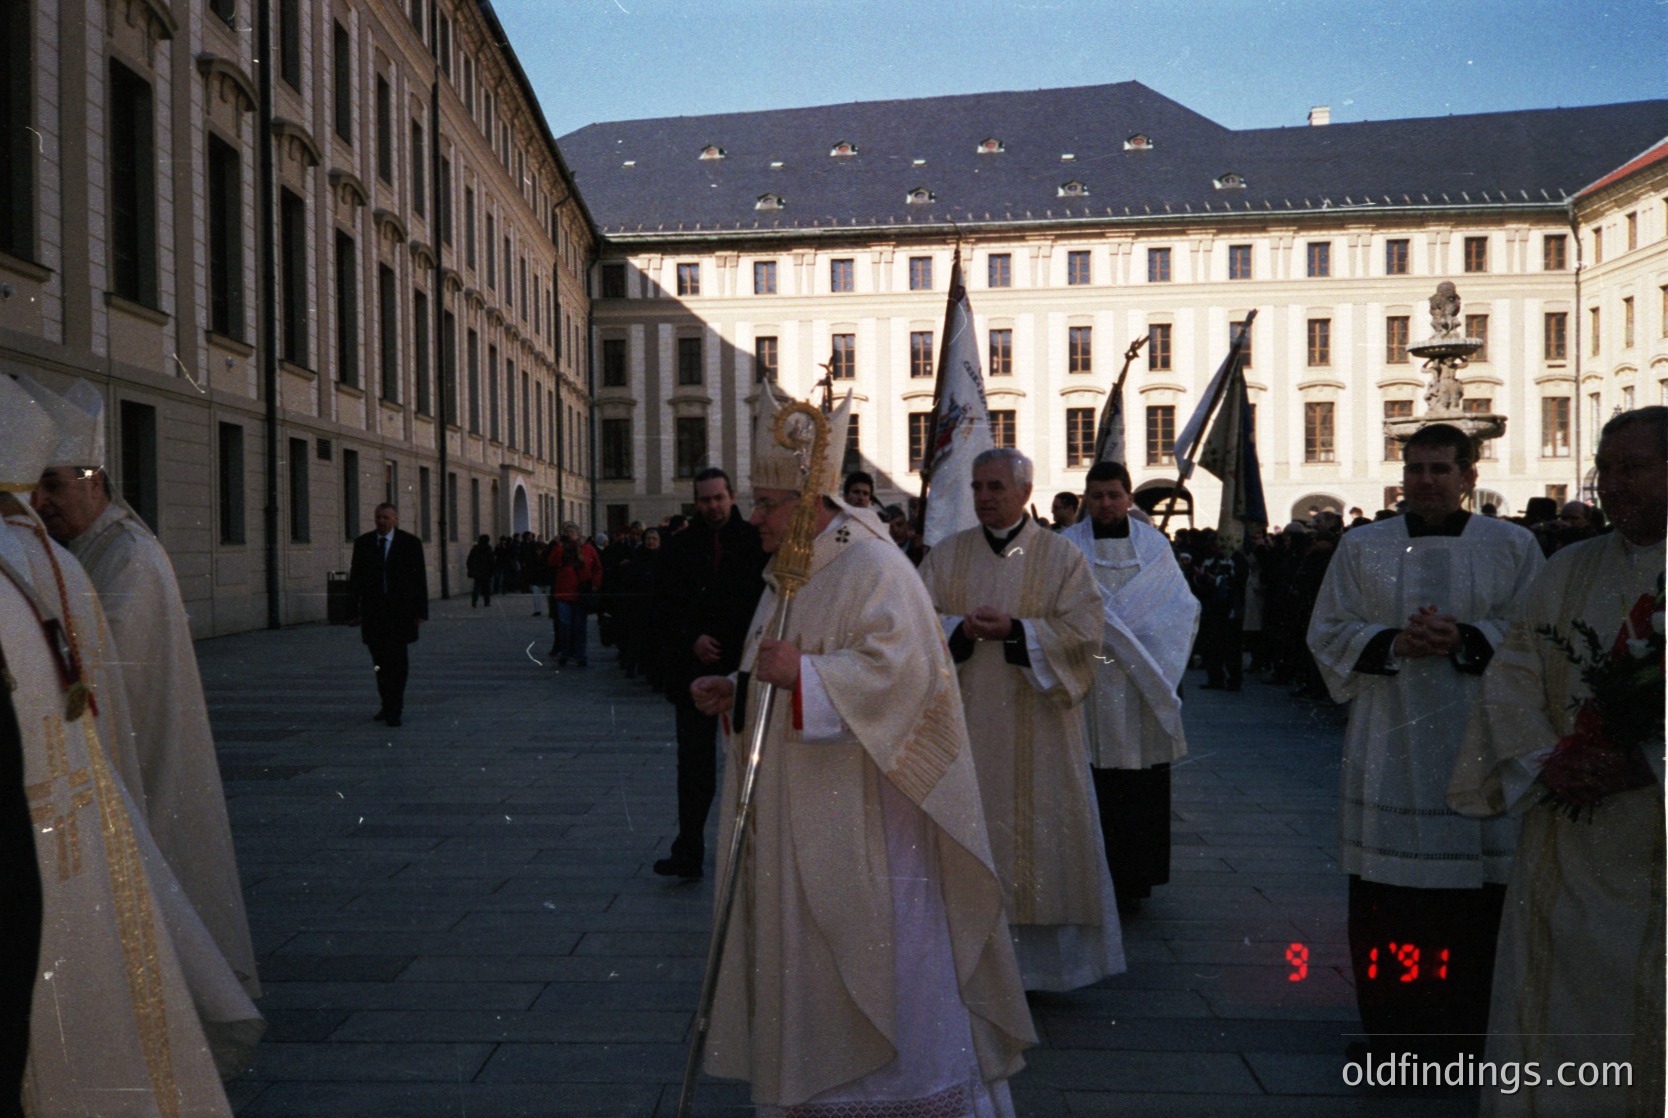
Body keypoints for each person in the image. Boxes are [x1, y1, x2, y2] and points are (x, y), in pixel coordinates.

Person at [690, 384, 1035, 1114]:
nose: (755, 517)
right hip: (805, 814)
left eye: (767, 503)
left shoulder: (874, 567)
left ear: (809, 507)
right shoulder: (791, 568)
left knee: (884, 969)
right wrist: (740, 691)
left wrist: (808, 677)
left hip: (871, 826)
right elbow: (773, 668)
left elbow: (904, 680)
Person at [0, 376, 254, 1112]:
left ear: (93, 480)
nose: (44, 503)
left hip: (135, 767)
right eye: (35, 487)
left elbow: (112, 685)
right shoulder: (68, 558)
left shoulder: (127, 561)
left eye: (55, 485)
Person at [1449, 407, 1666, 1117]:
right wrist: (1545, 759)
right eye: (1605, 470)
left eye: (1631, 468)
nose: (1611, 485)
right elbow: (1512, 671)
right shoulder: (1569, 568)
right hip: (1567, 846)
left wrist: (1646, 763)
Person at [1308, 422, 1544, 1059]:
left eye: (1441, 469)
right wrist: (1390, 643)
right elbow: (1327, 630)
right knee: (1392, 901)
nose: (1426, 481)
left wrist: (1467, 638)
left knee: (1475, 903)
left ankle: (1468, 1034)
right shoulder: (1363, 547)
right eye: (1415, 469)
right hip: (1391, 738)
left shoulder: (1512, 545)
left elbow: (1539, 636)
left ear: (1470, 475)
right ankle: (1393, 1032)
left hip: (1482, 737)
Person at [918, 448, 1125, 991]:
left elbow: (1087, 635)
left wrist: (1016, 630)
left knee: (1035, 841)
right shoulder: (945, 556)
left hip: (1038, 727)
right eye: (978, 487)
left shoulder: (1061, 558)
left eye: (995, 487)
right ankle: (965, 964)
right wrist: (958, 631)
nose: (984, 497)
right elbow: (912, 627)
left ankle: (1041, 971)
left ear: (1025, 492)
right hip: (963, 726)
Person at [1061, 461, 1199, 914]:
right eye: (1097, 496)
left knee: (1138, 788)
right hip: (1088, 682)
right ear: (1087, 498)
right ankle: (1090, 880)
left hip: (1141, 682)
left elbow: (1178, 609)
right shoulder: (1066, 548)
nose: (1105, 504)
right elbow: (1058, 612)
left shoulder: (1154, 545)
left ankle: (1136, 880)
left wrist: (1136, 653)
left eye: (1113, 495)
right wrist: (1104, 651)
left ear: (1128, 498)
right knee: (1091, 782)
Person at [652, 468, 767, 879]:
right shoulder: (680, 547)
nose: (712, 506)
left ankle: (756, 852)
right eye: (704, 500)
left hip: (743, 670)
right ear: (695, 502)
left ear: (733, 496)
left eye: (718, 498)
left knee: (752, 764)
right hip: (697, 674)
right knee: (694, 768)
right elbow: (664, 606)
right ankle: (689, 850)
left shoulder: (756, 542)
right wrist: (692, 639)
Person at [347, 502, 429, 727]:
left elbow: (419, 579)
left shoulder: (410, 544)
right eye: (378, 517)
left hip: (400, 613)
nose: (381, 521)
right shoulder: (363, 544)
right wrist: (352, 611)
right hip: (374, 614)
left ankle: (395, 708)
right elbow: (356, 579)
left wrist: (421, 611)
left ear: (395, 519)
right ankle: (386, 702)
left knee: (398, 662)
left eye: (385, 517)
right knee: (379, 662)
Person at [546, 522, 602, 667]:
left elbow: (597, 567)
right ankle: (565, 653)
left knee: (579, 625)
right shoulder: (560, 548)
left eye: (572, 532)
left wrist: (595, 584)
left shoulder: (587, 548)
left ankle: (580, 654)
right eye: (567, 532)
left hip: (580, 592)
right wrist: (558, 546)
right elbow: (552, 563)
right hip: (563, 592)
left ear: (578, 533)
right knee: (564, 625)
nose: (569, 534)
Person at [466, 533, 495, 607]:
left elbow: (469, 560)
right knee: (487, 587)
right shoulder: (488, 548)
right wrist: (493, 570)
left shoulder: (475, 548)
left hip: (477, 570)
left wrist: (470, 569)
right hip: (486, 571)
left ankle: (474, 601)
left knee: (477, 586)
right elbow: (491, 561)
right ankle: (487, 602)